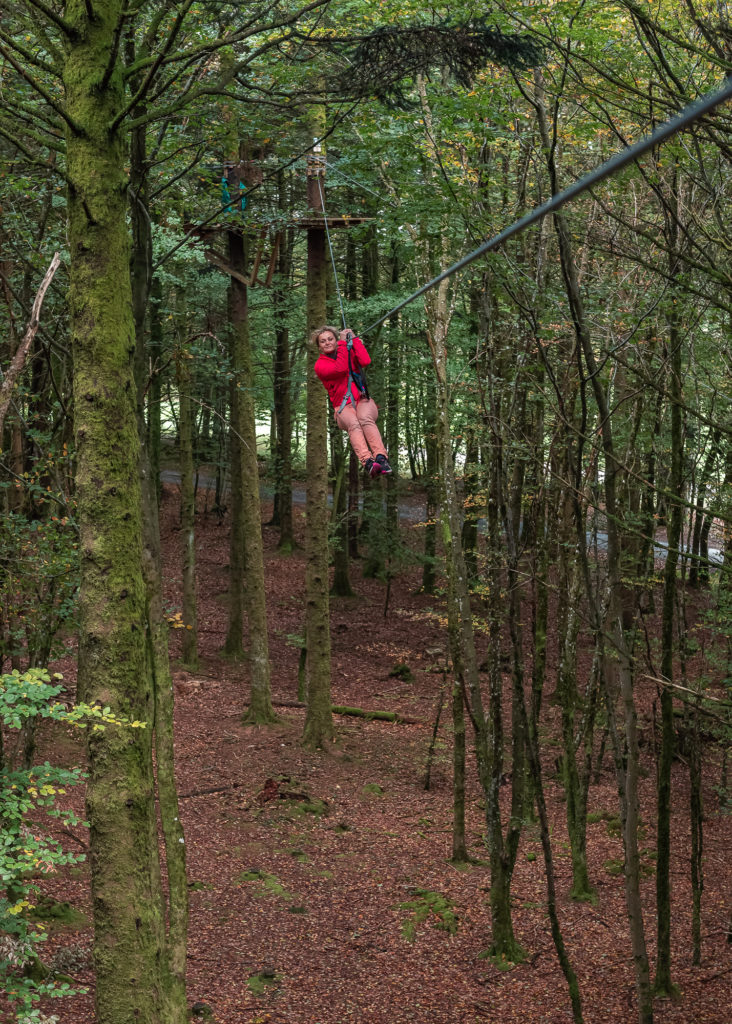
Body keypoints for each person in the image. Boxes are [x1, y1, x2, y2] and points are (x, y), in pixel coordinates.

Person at [313, 325, 392, 477]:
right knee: (354, 423)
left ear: (336, 340)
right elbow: (340, 369)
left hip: (362, 401)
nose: (328, 343)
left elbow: (365, 360)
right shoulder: (320, 365)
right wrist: (343, 343)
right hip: (343, 408)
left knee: (364, 418)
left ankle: (381, 458)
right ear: (319, 347)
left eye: (330, 339)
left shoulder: (346, 352)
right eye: (323, 341)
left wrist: (354, 339)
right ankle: (368, 462)